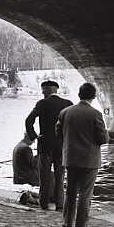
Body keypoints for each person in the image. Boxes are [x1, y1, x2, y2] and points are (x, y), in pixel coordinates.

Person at [55, 82, 110, 227]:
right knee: (85, 193)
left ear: (79, 95)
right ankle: (81, 225)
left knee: (70, 191)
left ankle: (67, 222)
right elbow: (102, 138)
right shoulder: (95, 114)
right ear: (94, 96)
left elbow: (58, 132)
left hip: (71, 157)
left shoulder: (65, 112)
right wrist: (107, 135)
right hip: (89, 160)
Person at [25, 80, 73, 211]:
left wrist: (34, 136)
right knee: (60, 176)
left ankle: (44, 204)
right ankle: (60, 204)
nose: (42, 92)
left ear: (47, 89)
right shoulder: (67, 104)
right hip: (62, 145)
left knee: (44, 176)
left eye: (43, 90)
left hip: (45, 144)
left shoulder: (42, 103)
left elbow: (29, 120)